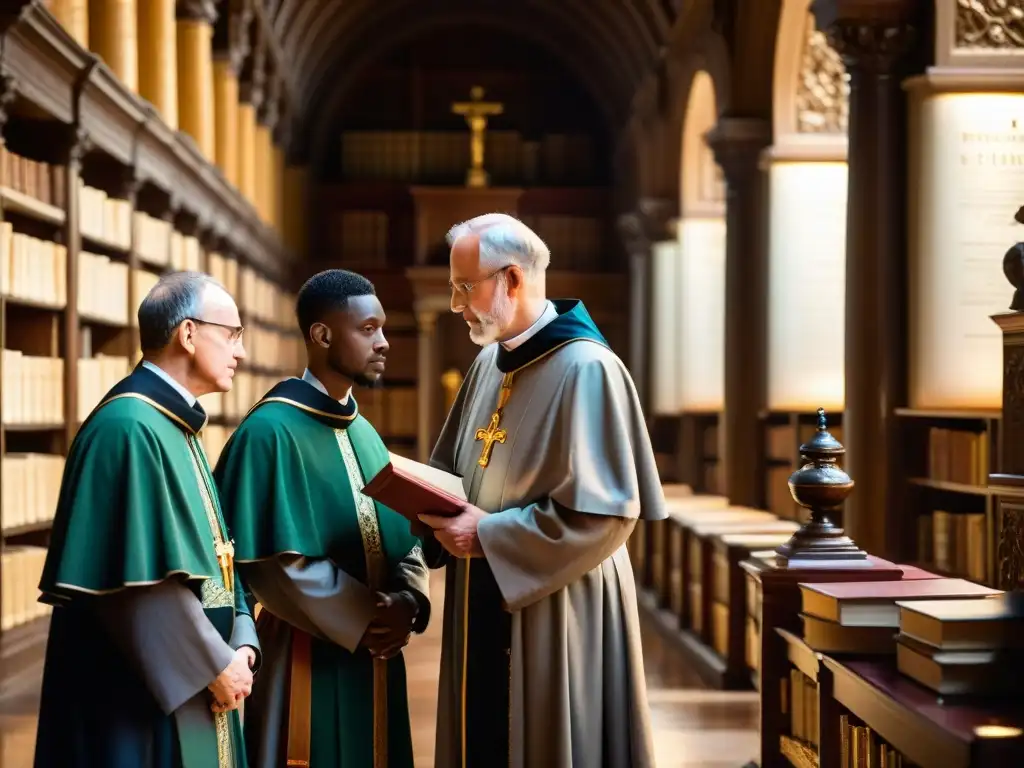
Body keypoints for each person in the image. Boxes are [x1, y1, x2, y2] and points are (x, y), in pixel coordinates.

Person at [419, 213, 666, 768]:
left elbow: (603, 520)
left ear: (511, 279)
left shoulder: (588, 369)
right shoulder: (487, 363)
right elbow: (450, 467)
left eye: (465, 287)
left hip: (557, 605)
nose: (457, 305)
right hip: (480, 589)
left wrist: (490, 535)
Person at [34, 271, 258, 768]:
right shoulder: (128, 428)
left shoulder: (176, 424)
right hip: (138, 699)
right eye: (232, 334)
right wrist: (214, 664)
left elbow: (221, 555)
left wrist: (241, 640)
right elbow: (137, 586)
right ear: (189, 333)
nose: (240, 352)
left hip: (209, 672)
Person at [213, 269, 429, 768]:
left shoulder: (367, 434)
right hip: (305, 655)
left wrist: (408, 601)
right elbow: (272, 565)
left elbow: (408, 540)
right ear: (322, 335)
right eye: (368, 329)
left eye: (383, 328)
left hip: (377, 653)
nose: (384, 344)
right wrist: (372, 616)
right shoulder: (269, 432)